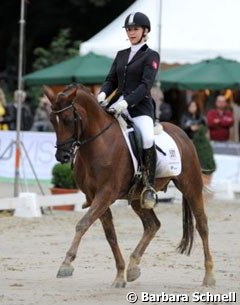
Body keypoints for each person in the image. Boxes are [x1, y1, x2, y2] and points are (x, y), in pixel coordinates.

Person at [97, 12, 160, 208]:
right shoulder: (121, 54)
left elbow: (145, 85)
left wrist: (127, 102)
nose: (132, 32)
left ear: (145, 31)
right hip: (116, 105)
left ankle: (148, 185)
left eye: (136, 29)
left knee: (148, 138)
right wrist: (102, 94)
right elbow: (111, 80)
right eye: (129, 29)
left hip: (140, 108)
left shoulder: (151, 56)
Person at [181, 99, 216, 176]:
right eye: (191, 106)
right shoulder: (185, 117)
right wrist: (192, 127)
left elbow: (205, 129)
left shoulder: (200, 117)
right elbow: (184, 127)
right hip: (189, 142)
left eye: (194, 106)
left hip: (201, 144)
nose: (193, 108)